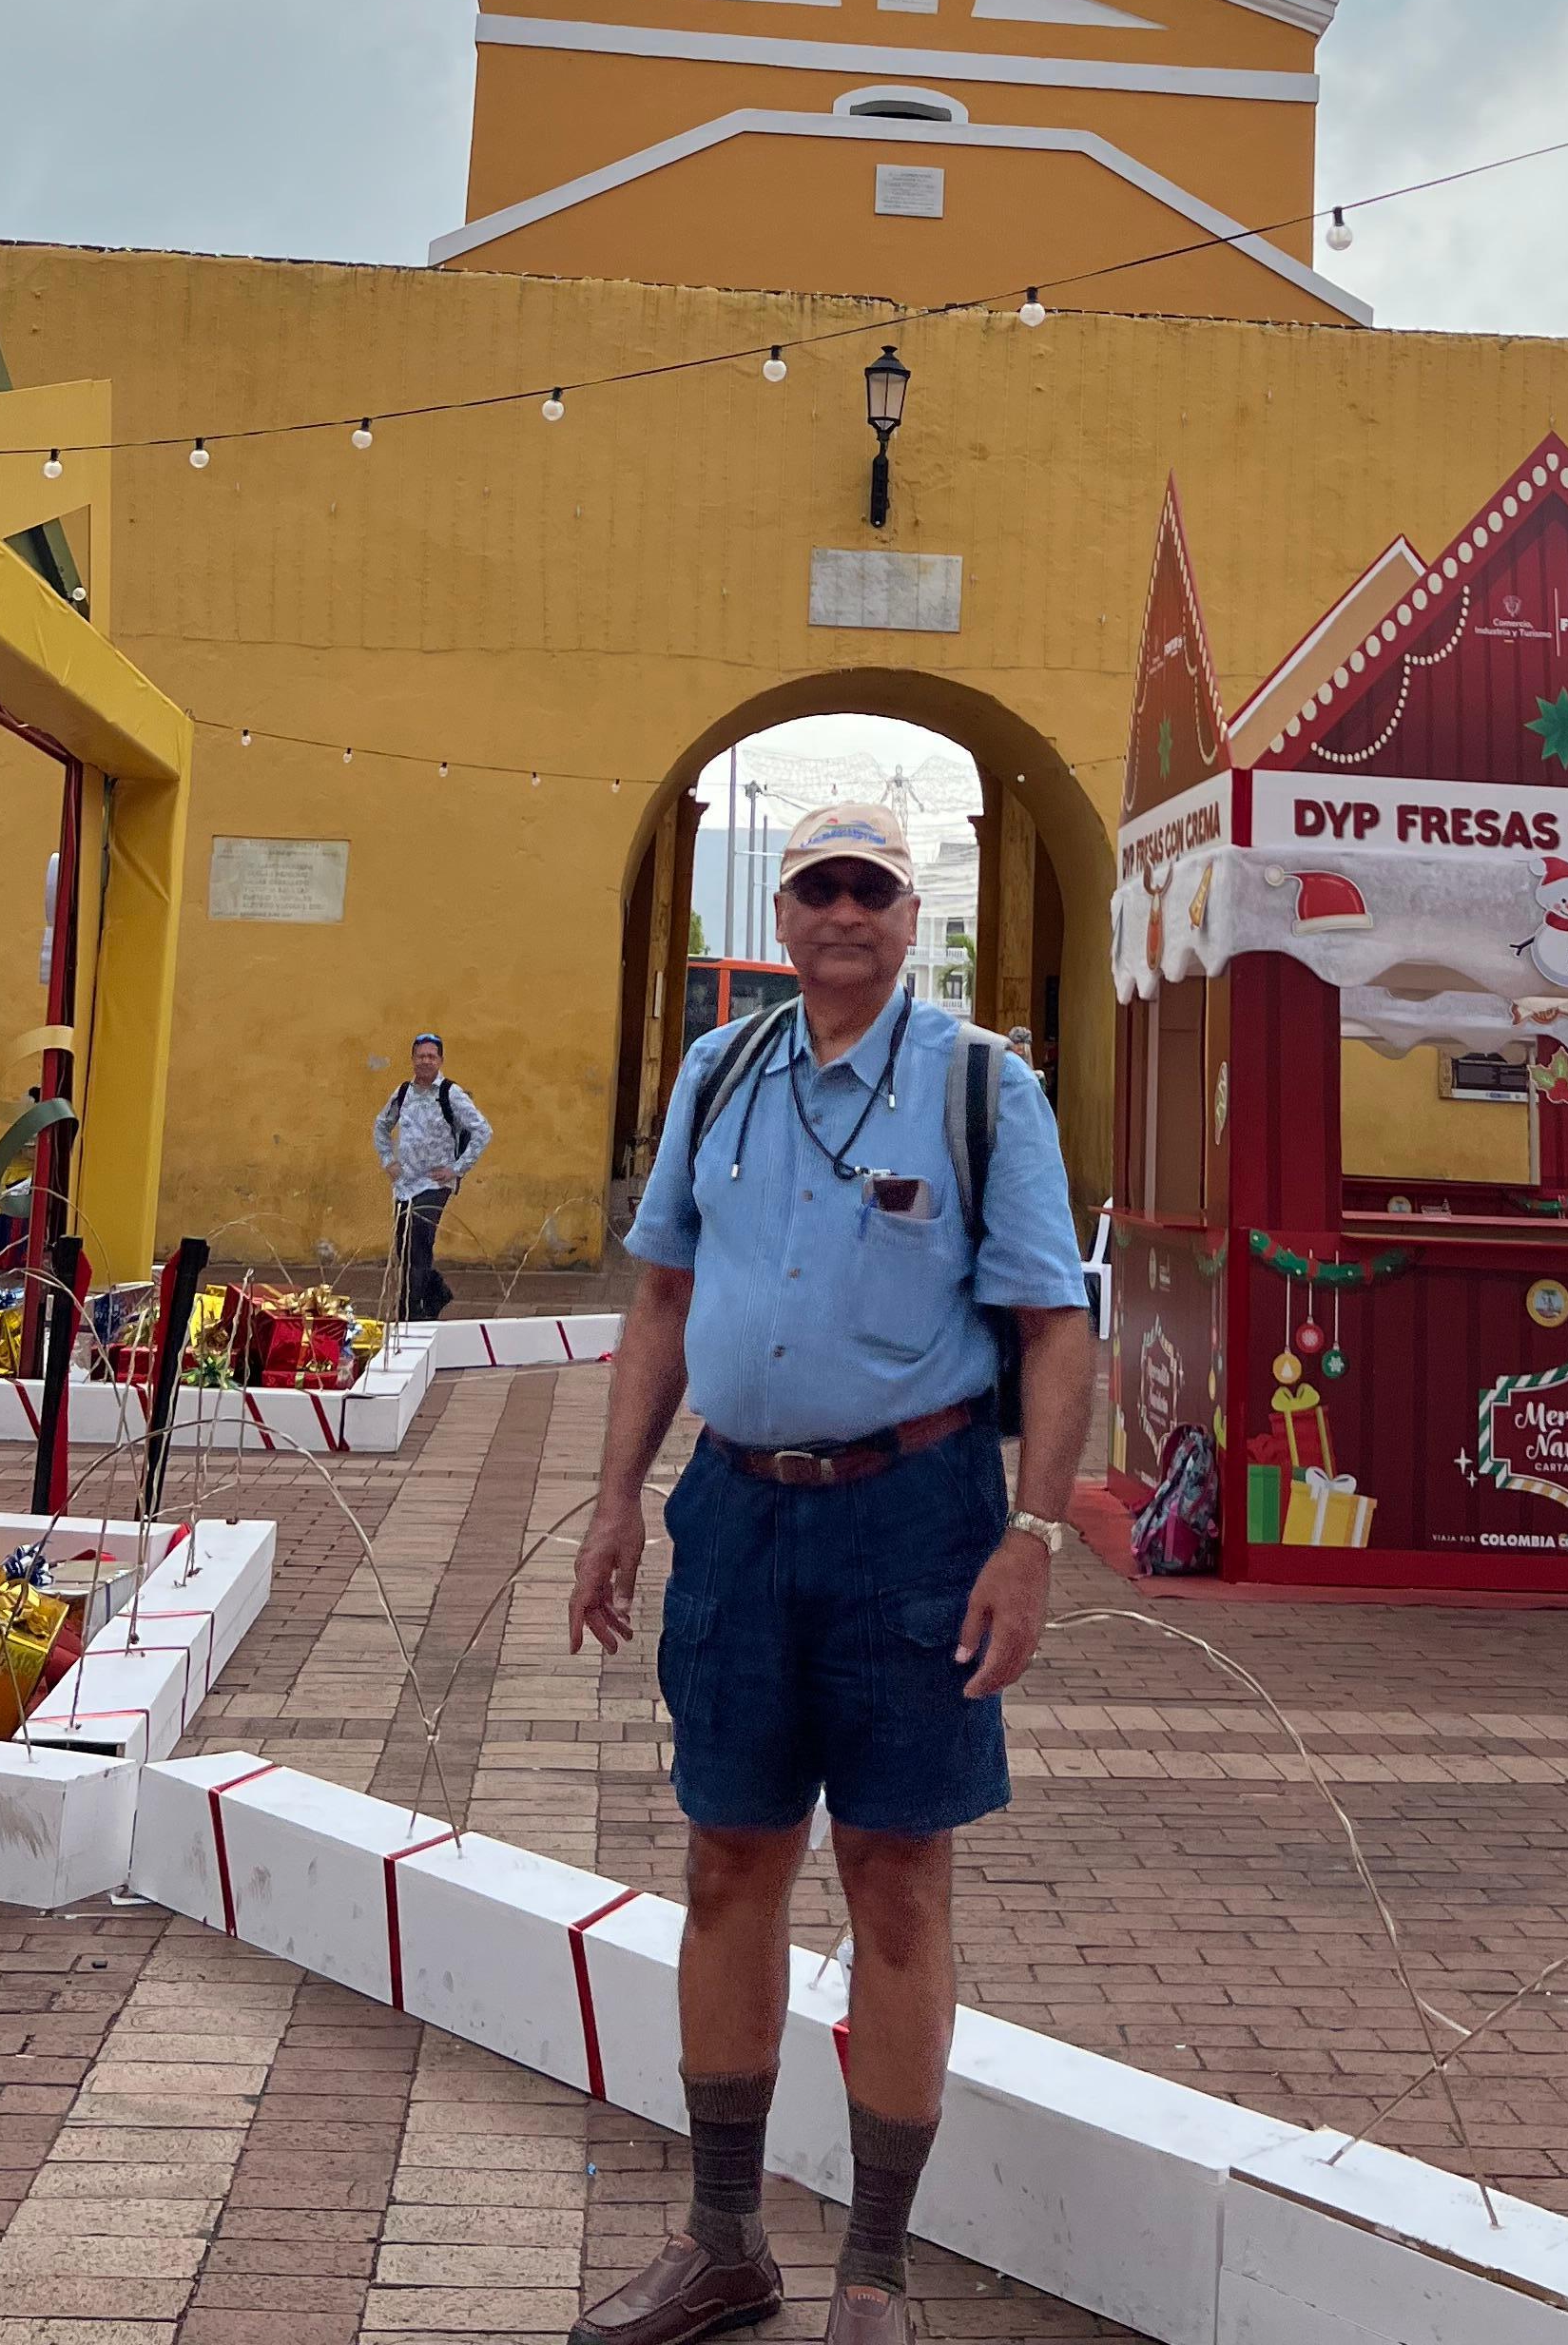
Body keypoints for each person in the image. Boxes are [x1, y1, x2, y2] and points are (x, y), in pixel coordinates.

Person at [566, 801, 1093, 2345]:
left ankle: (872, 2270)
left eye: (870, 887)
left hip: (913, 1514)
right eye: (818, 886)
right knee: (726, 1860)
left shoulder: (981, 1091)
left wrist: (1032, 1533)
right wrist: (613, 1495)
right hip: (735, 1505)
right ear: (785, 913)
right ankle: (722, 2239)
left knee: (895, 1879)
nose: (843, 911)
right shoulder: (718, 1072)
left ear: (907, 913)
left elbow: (1055, 1324)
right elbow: (661, 1291)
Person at [373, 1030, 490, 1318]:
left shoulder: (451, 1094)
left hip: (435, 1183)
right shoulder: (403, 1093)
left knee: (420, 1238)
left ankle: (410, 1309)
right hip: (405, 1183)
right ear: (412, 1059)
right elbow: (381, 1125)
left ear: (440, 1060)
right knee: (404, 1245)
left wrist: (457, 1169)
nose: (426, 1061)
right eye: (420, 1056)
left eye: (431, 1056)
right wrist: (388, 1160)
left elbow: (483, 1131)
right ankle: (435, 1291)